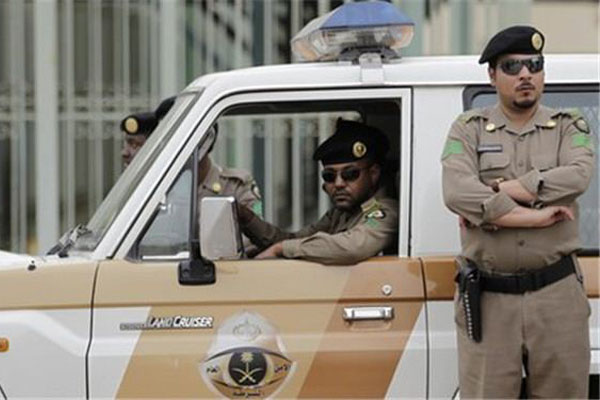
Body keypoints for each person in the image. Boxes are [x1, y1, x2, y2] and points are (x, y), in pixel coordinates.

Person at [441, 26, 595, 399]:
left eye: (534, 65)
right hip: (490, 298)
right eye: (512, 66)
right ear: (492, 76)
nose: (525, 74)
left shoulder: (569, 125)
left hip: (556, 295)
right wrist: (535, 217)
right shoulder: (468, 129)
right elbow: (457, 191)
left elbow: (577, 176)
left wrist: (495, 191)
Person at [237, 119, 398, 265]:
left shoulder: (382, 212)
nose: (338, 184)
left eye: (350, 174)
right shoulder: (340, 214)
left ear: (373, 174)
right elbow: (293, 240)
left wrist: (282, 249)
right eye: (329, 176)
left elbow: (353, 246)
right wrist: (247, 218)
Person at [120, 97, 263, 218]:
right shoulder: (154, 189)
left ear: (204, 142)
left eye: (176, 139)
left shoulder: (235, 186)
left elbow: (252, 237)